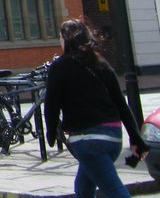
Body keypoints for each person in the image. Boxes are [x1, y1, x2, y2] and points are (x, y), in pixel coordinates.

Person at [44, 18, 148, 198]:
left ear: (66, 39)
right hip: (114, 138)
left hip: (88, 141)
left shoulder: (59, 67)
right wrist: (136, 138)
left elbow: (51, 105)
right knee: (83, 189)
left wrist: (51, 133)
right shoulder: (101, 64)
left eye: (60, 37)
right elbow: (121, 104)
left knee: (115, 191)